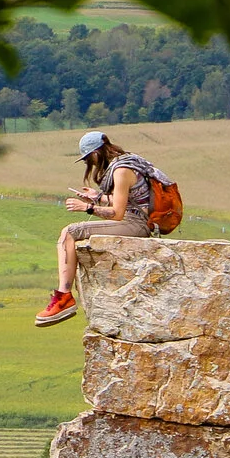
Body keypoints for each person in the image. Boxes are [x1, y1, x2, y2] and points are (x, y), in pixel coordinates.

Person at [34, 131, 162, 327]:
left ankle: (64, 297)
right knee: (70, 232)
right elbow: (127, 200)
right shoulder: (126, 163)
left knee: (70, 232)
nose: (89, 163)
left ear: (96, 153)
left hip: (135, 224)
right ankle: (63, 296)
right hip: (134, 219)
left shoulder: (121, 171)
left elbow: (118, 213)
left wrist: (87, 207)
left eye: (88, 158)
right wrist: (97, 197)